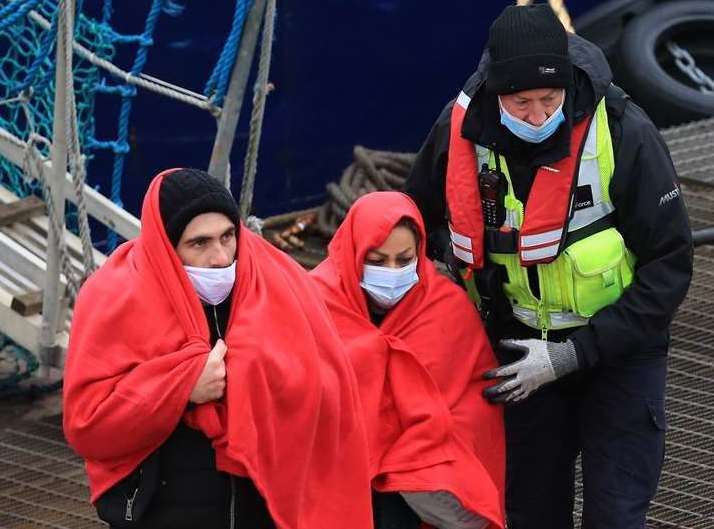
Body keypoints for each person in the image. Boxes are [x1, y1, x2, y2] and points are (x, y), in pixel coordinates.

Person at [405, 4, 693, 529]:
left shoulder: (624, 130)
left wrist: (573, 354)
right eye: (521, 102)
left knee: (616, 514)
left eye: (550, 99)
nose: (538, 116)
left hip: (620, 351)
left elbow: (670, 266)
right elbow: (411, 221)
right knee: (529, 512)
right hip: (517, 356)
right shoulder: (457, 129)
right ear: (496, 94)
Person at [63, 168, 373, 529]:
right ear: (165, 244)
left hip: (262, 504)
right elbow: (89, 425)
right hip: (163, 508)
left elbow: (328, 388)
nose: (221, 257)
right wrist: (181, 388)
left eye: (228, 236)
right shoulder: (113, 299)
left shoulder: (279, 282)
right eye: (199, 243)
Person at [310, 191, 505, 529]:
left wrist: (416, 452)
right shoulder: (314, 305)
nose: (392, 271)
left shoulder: (447, 309)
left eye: (404, 260)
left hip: (417, 481)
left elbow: (475, 404)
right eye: (376, 260)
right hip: (340, 467)